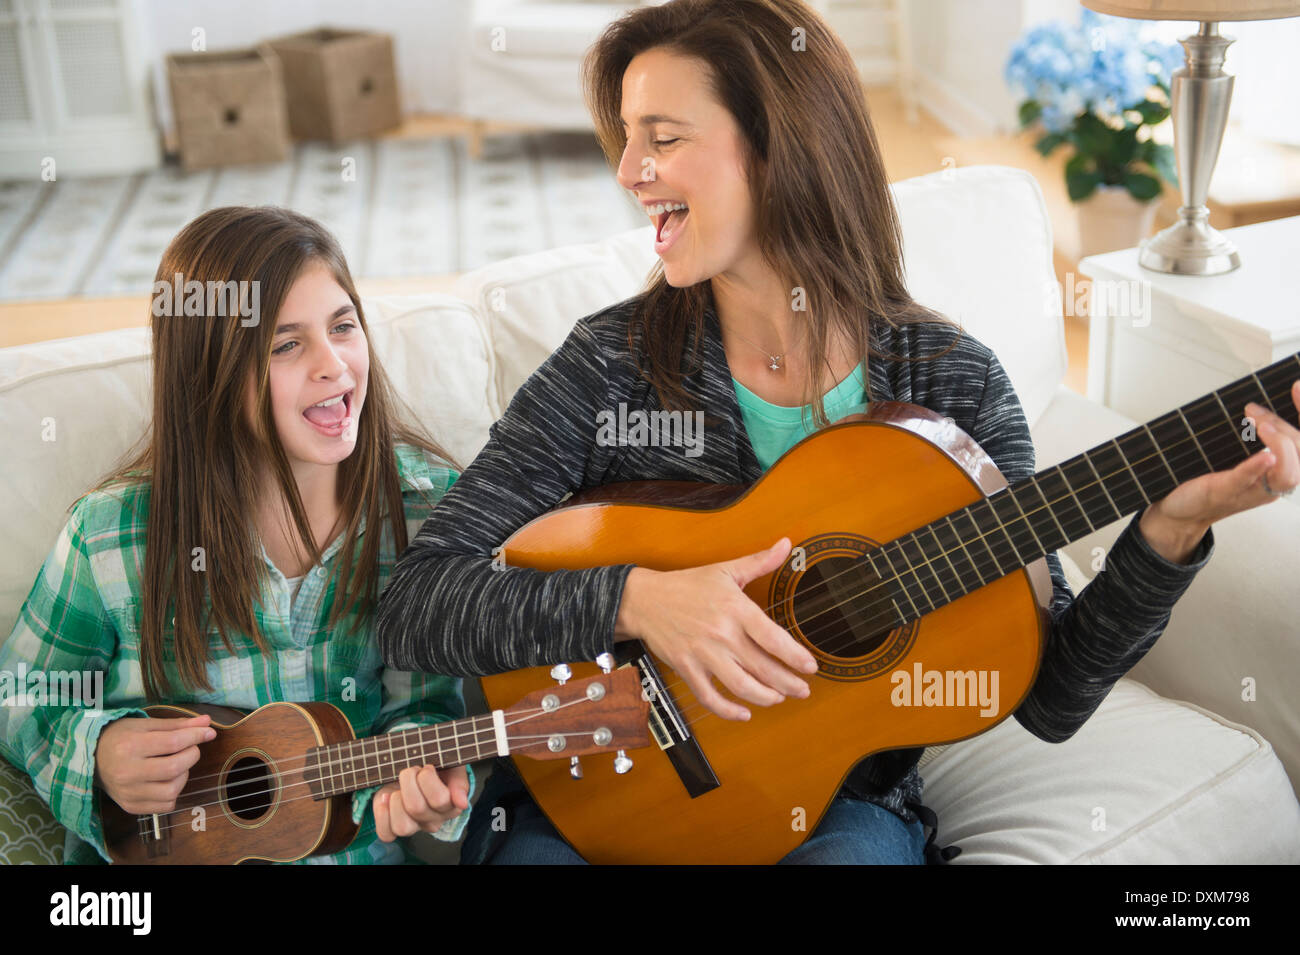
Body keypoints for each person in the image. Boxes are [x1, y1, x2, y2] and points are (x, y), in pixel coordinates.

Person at [375, 0, 1300, 864]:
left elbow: (1049, 700)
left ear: (778, 149)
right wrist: (639, 600)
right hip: (593, 803)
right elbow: (418, 603)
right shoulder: (609, 364)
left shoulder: (950, 380)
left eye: (662, 139)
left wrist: (1170, 529)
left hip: (839, 814)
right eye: (627, 140)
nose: (627, 172)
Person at [0, 206, 472, 864]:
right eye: (286, 344)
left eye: (343, 326)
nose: (334, 364)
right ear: (211, 375)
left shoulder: (427, 512)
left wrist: (420, 784)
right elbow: (21, 693)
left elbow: (423, 705)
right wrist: (98, 752)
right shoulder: (110, 536)